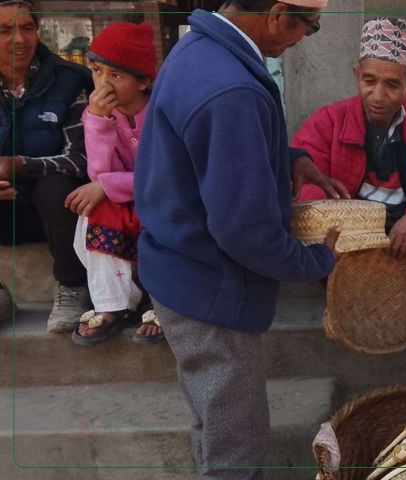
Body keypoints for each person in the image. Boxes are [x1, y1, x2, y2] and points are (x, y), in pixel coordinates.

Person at [133, 1, 344, 477]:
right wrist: (313, 261)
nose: (301, 39)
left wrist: (287, 157)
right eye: (308, 28)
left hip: (181, 272)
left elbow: (205, 153)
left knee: (214, 424)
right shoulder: (231, 88)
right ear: (276, 15)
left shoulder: (196, 52)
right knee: (236, 447)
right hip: (211, 290)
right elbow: (244, 230)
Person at [292, 17, 406, 334]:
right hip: (351, 232)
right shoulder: (327, 121)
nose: (377, 95)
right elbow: (305, 186)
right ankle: (357, 294)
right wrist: (347, 227)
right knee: (309, 237)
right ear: (356, 77)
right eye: (369, 81)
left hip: (405, 229)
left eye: (392, 84)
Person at [64, 22, 162, 346]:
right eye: (96, 70)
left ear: (144, 82)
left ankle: (166, 303)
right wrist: (98, 121)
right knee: (96, 210)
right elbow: (99, 173)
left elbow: (166, 176)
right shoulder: (98, 114)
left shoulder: (165, 113)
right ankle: (111, 306)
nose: (102, 84)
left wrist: (107, 186)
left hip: (163, 202)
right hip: (126, 208)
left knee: (170, 220)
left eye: (116, 76)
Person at [0, 0, 93, 333]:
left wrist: (18, 166)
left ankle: (72, 287)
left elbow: (80, 158)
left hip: (59, 214)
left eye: (27, 28)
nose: (19, 39)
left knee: (57, 186)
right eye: (5, 30)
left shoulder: (70, 81)